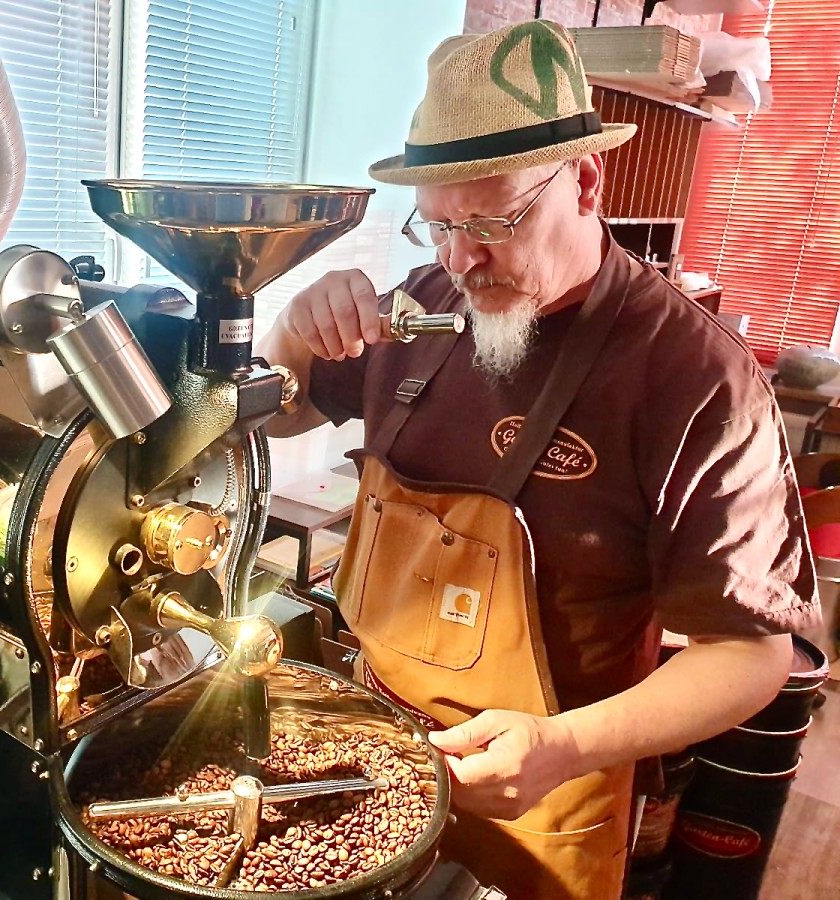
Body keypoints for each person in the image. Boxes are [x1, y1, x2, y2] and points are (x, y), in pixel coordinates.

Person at [257, 19, 820, 900]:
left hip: (546, 791)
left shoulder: (695, 378)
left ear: (586, 180)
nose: (459, 258)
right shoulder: (426, 301)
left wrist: (566, 748)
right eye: (437, 224)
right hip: (367, 746)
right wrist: (289, 330)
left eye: (494, 218)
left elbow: (752, 655)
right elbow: (280, 419)